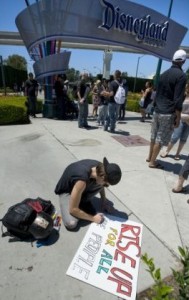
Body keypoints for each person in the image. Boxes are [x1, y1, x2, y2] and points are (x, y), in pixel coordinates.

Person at [54, 157, 122, 230]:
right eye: (106, 184)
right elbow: (73, 210)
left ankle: (81, 201)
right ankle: (74, 203)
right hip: (67, 191)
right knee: (71, 223)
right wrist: (93, 218)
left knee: (99, 184)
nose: (106, 186)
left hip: (82, 186)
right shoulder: (82, 180)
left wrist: (104, 201)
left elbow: (101, 186)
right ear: (102, 177)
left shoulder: (101, 169)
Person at [146, 49, 187, 169]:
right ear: (183, 62)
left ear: (173, 60)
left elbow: (157, 93)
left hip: (157, 110)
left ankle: (149, 157)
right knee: (160, 138)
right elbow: (178, 99)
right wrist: (178, 117)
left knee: (153, 135)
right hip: (168, 112)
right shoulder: (181, 76)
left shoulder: (163, 74)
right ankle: (152, 162)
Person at [160, 83, 189, 160]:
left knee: (183, 138)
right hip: (181, 119)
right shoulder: (182, 96)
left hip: (188, 122)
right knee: (175, 137)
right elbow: (177, 108)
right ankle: (167, 150)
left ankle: (178, 153)